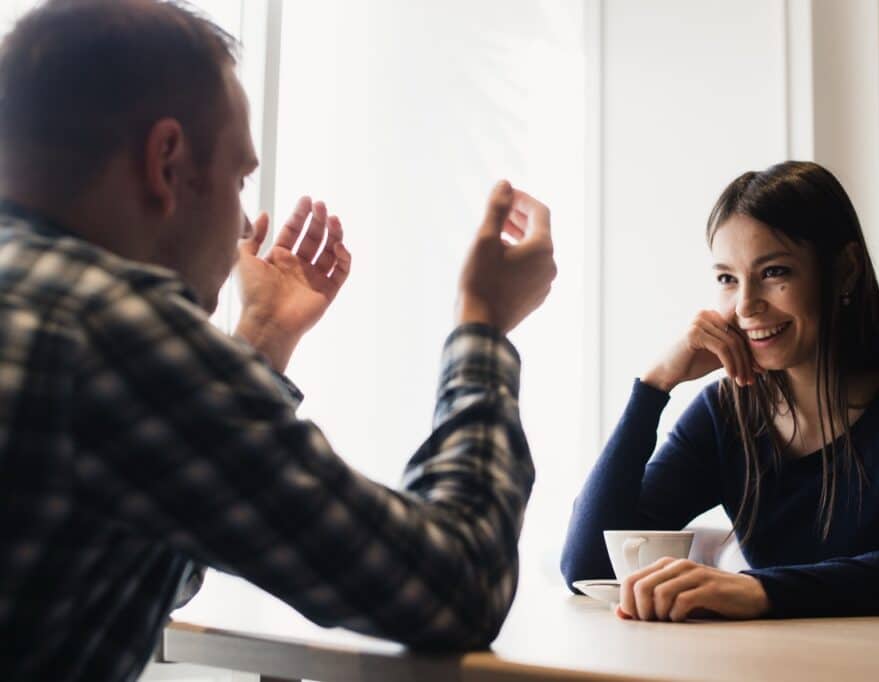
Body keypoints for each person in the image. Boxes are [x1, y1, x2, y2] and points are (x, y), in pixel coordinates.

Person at [0, 1, 556, 679]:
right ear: (167, 162)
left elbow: (120, 571)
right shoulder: (106, 327)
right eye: (239, 178)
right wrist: (484, 323)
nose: (241, 219)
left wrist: (259, 338)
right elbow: (458, 584)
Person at [560, 161, 879, 623]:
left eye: (774, 272)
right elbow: (589, 566)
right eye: (727, 278)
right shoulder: (728, 410)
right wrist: (653, 386)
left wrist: (760, 592)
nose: (745, 305)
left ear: (844, 272)